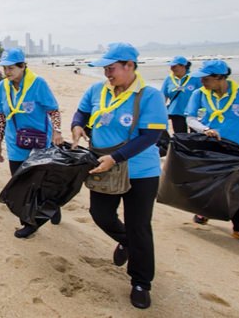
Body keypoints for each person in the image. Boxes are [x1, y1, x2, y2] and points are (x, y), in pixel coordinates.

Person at [70, 43, 168, 309]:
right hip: (102, 165)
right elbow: (82, 113)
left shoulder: (150, 96)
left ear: (129, 66)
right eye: (105, 68)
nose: (107, 74)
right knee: (100, 214)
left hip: (140, 172)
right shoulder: (96, 90)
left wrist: (116, 157)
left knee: (139, 226)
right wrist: (77, 125)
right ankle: (126, 242)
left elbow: (151, 135)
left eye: (111, 68)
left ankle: (140, 282)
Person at [184, 60, 239, 248]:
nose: (202, 82)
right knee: (208, 184)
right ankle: (204, 211)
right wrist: (205, 129)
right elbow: (190, 118)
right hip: (211, 146)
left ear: (220, 77)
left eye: (206, 79)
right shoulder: (199, 94)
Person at [0, 48, 64, 238]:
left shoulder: (38, 83)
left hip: (40, 140)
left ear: (23, 66)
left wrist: (57, 131)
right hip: (15, 140)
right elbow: (1, 116)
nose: (7, 72)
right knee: (20, 182)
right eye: (4, 68)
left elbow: (53, 110)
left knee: (41, 182)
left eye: (11, 68)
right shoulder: (2, 86)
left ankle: (52, 206)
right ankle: (29, 222)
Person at [160, 56, 201, 133]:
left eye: (175, 66)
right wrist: (160, 111)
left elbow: (204, 94)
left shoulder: (195, 78)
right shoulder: (168, 79)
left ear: (183, 66)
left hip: (193, 113)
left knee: (196, 137)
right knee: (180, 137)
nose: (172, 68)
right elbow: (163, 96)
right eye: (171, 66)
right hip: (176, 112)